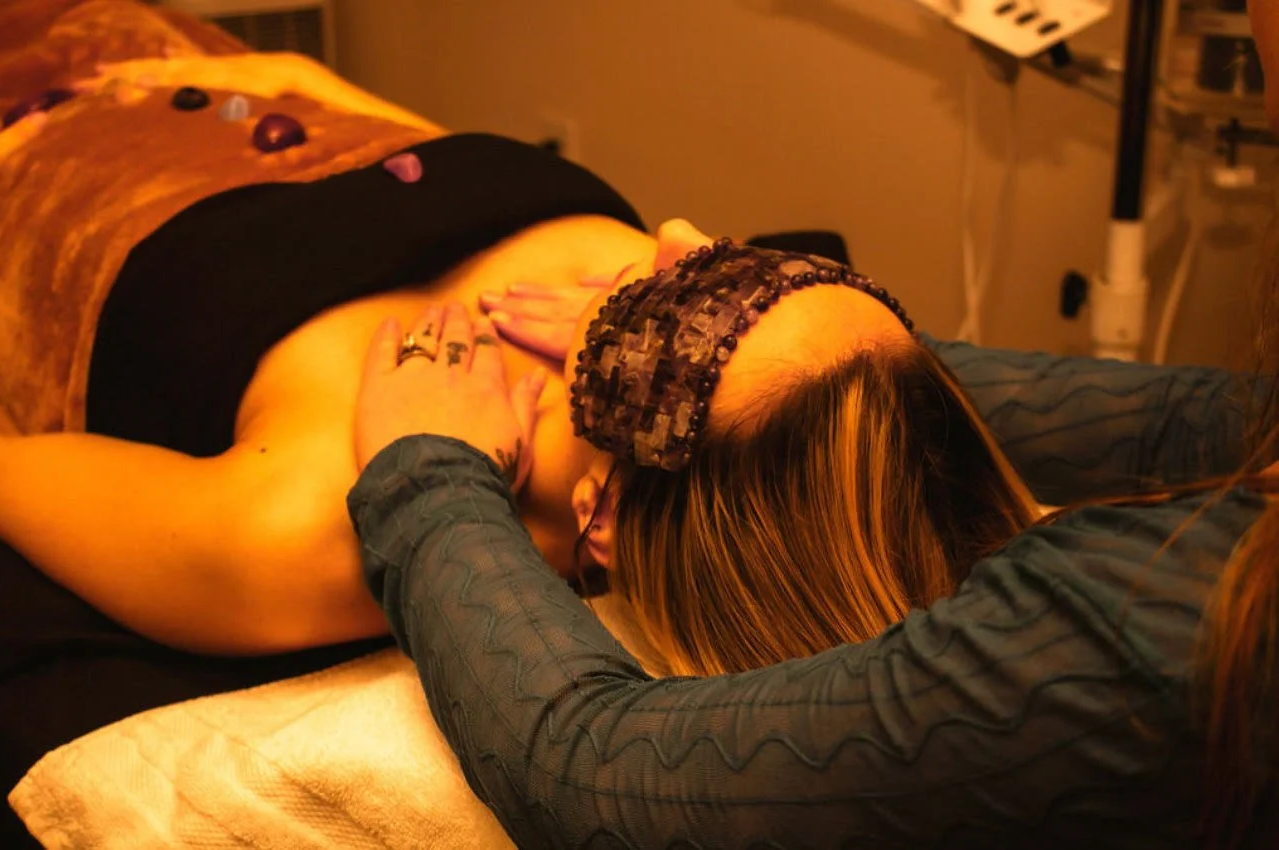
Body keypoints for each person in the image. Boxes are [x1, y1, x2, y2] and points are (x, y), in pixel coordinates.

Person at [345, 7, 1279, 849]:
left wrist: (423, 473)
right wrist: (734, 331)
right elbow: (1191, 420)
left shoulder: (1157, 635)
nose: (671, 237)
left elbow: (590, 779)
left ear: (605, 519)